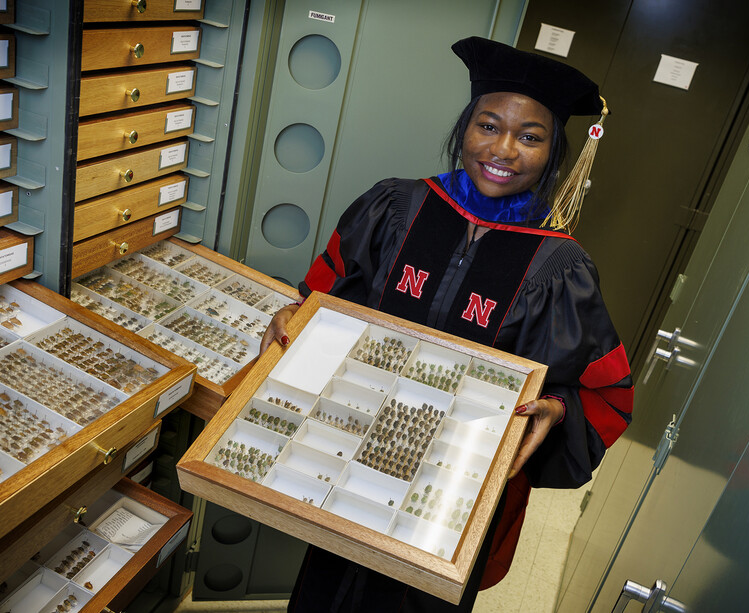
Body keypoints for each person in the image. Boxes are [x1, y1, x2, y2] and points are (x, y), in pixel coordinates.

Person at [260, 36, 634, 612]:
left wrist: (557, 410)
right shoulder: (396, 207)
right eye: (489, 125)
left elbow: (603, 392)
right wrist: (296, 317)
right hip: (354, 454)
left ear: (554, 153)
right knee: (326, 588)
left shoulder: (561, 269)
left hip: (455, 491)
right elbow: (327, 295)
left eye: (530, 137)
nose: (504, 149)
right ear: (465, 128)